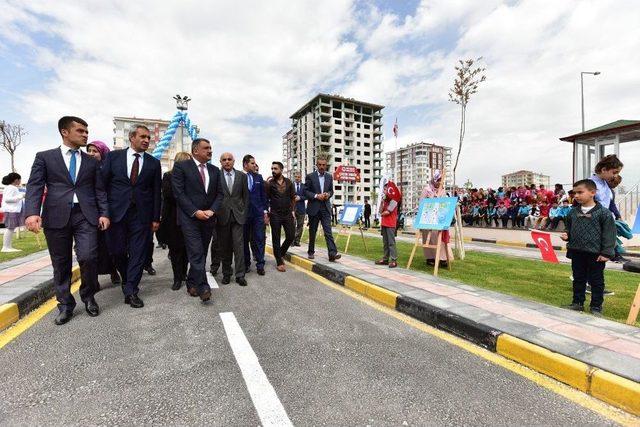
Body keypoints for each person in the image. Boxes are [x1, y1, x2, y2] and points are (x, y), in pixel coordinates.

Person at [25, 116, 109, 325]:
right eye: (80, 131)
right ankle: (65, 305)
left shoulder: (91, 161)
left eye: (86, 131)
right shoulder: (45, 157)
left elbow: (99, 190)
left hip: (86, 215)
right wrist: (31, 212)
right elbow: (34, 186)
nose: (85, 135)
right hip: (55, 215)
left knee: (89, 257)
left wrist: (104, 213)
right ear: (65, 132)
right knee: (60, 263)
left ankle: (88, 296)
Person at [101, 124, 161, 309]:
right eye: (142, 137)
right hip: (116, 213)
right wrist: (103, 212)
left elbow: (156, 192)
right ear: (132, 137)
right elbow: (102, 186)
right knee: (116, 250)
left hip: (141, 215)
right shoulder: (113, 157)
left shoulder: (153, 162)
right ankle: (128, 279)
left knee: (138, 253)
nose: (146, 140)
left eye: (148, 138)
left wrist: (155, 218)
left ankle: (131, 291)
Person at [172, 140, 223, 301]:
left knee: (200, 252)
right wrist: (195, 212)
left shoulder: (215, 170)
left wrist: (212, 210)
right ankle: (203, 287)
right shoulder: (182, 167)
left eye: (210, 148)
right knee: (196, 252)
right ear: (195, 150)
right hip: (190, 218)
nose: (210, 151)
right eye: (206, 148)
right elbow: (179, 193)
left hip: (208, 218)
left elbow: (220, 194)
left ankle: (191, 283)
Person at [561, 179, 615, 316]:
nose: (576, 196)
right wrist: (567, 234)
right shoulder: (572, 212)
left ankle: (596, 306)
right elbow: (569, 227)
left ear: (592, 192)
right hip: (577, 252)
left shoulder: (604, 213)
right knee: (578, 278)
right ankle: (577, 303)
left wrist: (606, 253)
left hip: (596, 254)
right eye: (574, 193)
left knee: (597, 281)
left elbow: (609, 235)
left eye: (580, 192)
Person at [86, 140, 121, 286]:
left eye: (95, 151)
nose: (91, 154)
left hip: (107, 212)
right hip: (88, 213)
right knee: (90, 249)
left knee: (108, 246)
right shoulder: (84, 168)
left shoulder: (109, 169)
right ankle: (93, 280)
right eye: (89, 151)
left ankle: (113, 270)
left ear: (103, 152)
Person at [157, 151, 192, 291]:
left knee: (187, 250)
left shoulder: (192, 177)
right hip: (173, 219)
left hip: (189, 217)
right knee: (176, 250)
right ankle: (177, 278)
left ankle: (184, 273)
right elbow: (168, 195)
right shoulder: (168, 176)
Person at [217, 152, 249, 286]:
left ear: (234, 161)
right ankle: (226, 274)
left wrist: (244, 213)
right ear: (220, 162)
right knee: (225, 247)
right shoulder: (216, 175)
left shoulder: (242, 176)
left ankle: (240, 275)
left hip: (238, 216)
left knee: (239, 246)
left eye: (229, 159)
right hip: (222, 216)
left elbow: (246, 197)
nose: (227, 162)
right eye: (224, 160)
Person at [305, 155, 340, 262]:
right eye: (319, 165)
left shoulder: (329, 177)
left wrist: (328, 194)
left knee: (328, 231)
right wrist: (316, 196)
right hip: (314, 207)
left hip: (325, 207)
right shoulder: (310, 176)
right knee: (313, 231)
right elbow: (306, 191)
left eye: (323, 165)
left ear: (326, 166)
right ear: (316, 165)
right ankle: (311, 251)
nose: (321, 167)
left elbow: (331, 191)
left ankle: (332, 254)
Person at [266, 162, 296, 272]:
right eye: (272, 168)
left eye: (275, 168)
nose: (273, 170)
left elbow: (293, 197)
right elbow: (266, 198)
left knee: (291, 236)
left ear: (281, 170)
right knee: (276, 238)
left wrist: (292, 211)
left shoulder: (289, 182)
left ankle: (281, 253)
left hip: (287, 214)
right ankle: (279, 261)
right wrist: (268, 212)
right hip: (275, 214)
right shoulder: (270, 183)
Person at [420, 170, 453, 266]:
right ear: (434, 179)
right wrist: (431, 200)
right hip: (427, 219)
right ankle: (430, 258)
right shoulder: (427, 189)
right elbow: (422, 203)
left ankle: (442, 258)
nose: (439, 182)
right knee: (428, 238)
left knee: (439, 237)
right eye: (438, 180)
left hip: (438, 218)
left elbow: (444, 203)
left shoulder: (442, 189)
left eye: (440, 180)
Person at [242, 154, 267, 276]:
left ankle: (260, 264)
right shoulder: (239, 177)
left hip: (258, 214)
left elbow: (263, 196)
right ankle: (246, 264)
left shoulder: (259, 177)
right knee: (244, 240)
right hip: (244, 215)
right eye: (252, 163)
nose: (254, 165)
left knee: (259, 239)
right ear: (246, 165)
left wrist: (265, 212)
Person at [375, 181, 399, 268]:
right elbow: (381, 210)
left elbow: (388, 211)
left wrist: (379, 215)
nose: (384, 191)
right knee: (385, 242)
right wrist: (381, 202)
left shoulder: (394, 200)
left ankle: (393, 260)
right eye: (384, 189)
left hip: (391, 224)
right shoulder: (385, 199)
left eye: (385, 189)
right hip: (384, 223)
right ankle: (385, 259)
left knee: (391, 243)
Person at [1, 172, 25, 253]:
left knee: (10, 228)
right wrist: (20, 196)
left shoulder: (11, 187)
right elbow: (7, 199)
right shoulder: (12, 188)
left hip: (12, 210)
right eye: (19, 179)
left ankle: (7, 246)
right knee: (10, 228)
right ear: (16, 180)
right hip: (11, 210)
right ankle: (6, 247)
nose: (20, 181)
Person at [292, 171, 306, 246]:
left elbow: (306, 196)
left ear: (301, 178)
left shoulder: (304, 186)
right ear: (294, 177)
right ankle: (291, 241)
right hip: (292, 209)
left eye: (299, 177)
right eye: (296, 177)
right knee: (292, 225)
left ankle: (297, 241)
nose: (297, 178)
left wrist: (300, 197)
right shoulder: (290, 185)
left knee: (300, 226)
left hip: (301, 209)